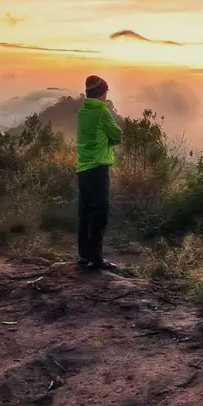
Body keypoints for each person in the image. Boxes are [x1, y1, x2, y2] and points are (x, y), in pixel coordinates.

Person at [75, 74, 122, 269]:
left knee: (85, 212)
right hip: (98, 167)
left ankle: (84, 255)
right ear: (101, 92)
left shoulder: (82, 112)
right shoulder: (102, 111)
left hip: (82, 168)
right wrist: (108, 142)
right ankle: (96, 258)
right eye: (106, 91)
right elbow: (117, 135)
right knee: (100, 212)